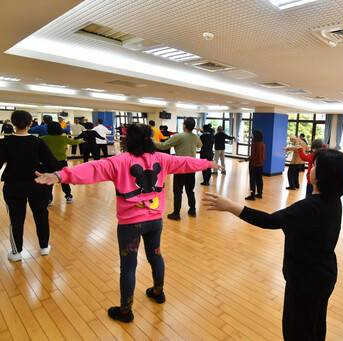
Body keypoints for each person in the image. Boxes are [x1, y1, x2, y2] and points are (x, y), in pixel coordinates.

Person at [35, 123, 221, 323]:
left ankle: (125, 311)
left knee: (129, 266)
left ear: (128, 140)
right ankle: (158, 292)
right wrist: (207, 163)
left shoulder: (119, 161)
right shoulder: (162, 158)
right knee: (155, 255)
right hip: (154, 221)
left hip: (130, 225)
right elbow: (185, 162)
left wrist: (59, 175)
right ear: (149, 139)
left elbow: (92, 168)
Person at [203, 148, 343, 340]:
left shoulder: (309, 207)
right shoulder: (333, 201)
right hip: (325, 275)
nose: (310, 168)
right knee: (315, 324)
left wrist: (231, 207)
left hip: (306, 281)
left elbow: (270, 221)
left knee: (297, 331)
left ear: (323, 176)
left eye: (314, 166)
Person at [0, 110, 59, 262]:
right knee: (41, 215)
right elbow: (52, 164)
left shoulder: (5, 142)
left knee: (16, 218)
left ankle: (16, 252)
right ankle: (44, 246)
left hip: (14, 186)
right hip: (38, 184)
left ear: (12, 123)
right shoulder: (38, 142)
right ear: (30, 123)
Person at [154, 117, 202, 220]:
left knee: (178, 191)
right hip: (191, 168)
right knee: (190, 190)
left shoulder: (178, 136)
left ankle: (176, 214)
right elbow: (200, 145)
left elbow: (163, 146)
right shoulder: (195, 137)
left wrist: (151, 141)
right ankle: (192, 210)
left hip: (180, 168)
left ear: (184, 125)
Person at [41, 122, 83, 205]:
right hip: (61, 162)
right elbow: (73, 142)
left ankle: (48, 199)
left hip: (47, 162)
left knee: (48, 181)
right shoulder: (63, 138)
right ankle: (68, 196)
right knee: (64, 179)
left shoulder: (43, 138)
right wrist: (81, 141)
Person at [239, 130, 265, 200]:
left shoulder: (254, 144)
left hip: (253, 165)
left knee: (252, 180)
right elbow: (263, 155)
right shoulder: (262, 144)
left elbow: (253, 155)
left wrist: (244, 160)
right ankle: (260, 194)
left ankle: (252, 195)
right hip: (260, 165)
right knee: (259, 179)